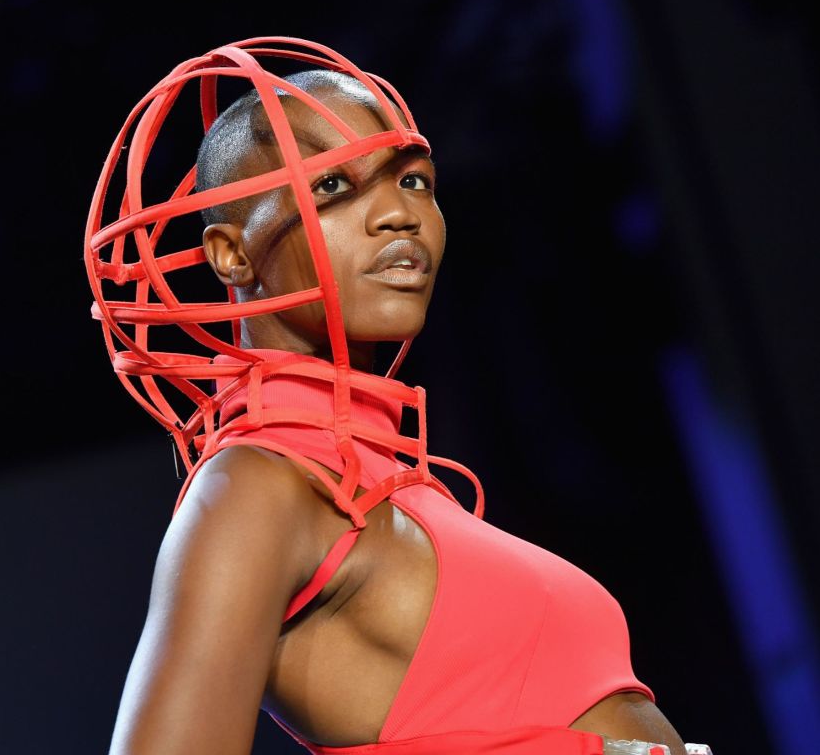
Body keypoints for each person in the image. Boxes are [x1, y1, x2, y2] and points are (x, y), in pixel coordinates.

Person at [87, 38, 701, 755]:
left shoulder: (399, 490)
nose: (398, 215)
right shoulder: (254, 485)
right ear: (232, 253)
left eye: (413, 181)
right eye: (334, 188)